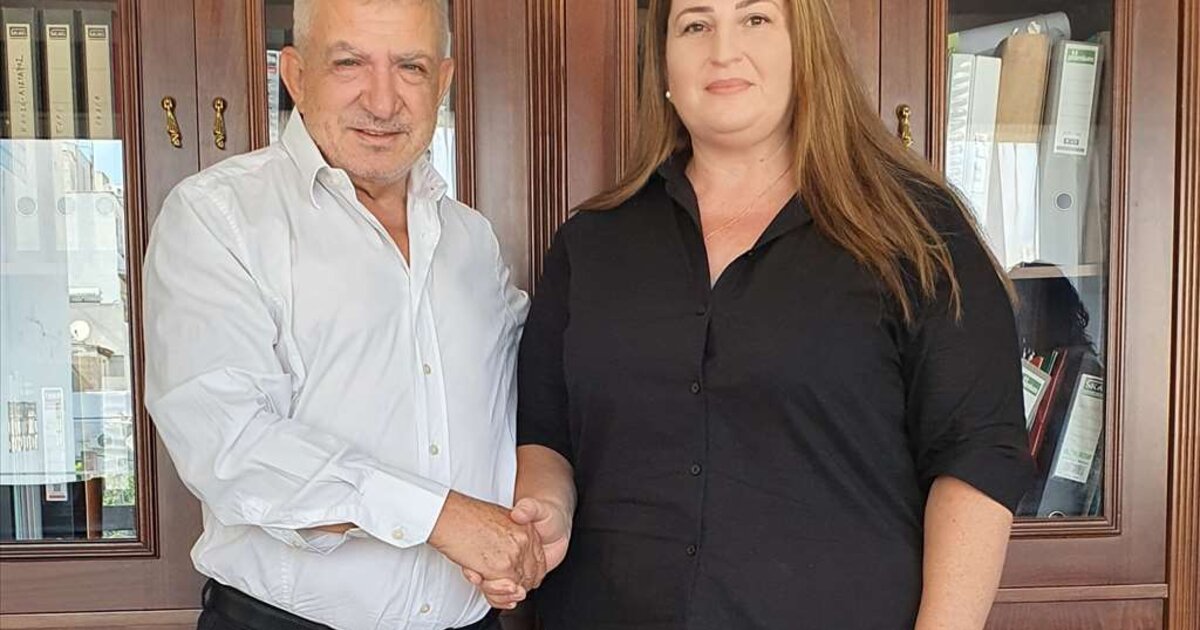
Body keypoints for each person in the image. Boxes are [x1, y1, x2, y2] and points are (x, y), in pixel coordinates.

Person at [495, 0, 1035, 627]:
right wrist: (549, 507)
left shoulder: (917, 233)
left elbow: (976, 453)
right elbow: (546, 434)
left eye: (755, 19)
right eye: (695, 25)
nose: (723, 50)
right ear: (663, 63)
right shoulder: (591, 243)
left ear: (806, 47)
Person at [142, 1, 538, 628]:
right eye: (349, 63)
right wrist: (440, 516)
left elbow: (539, 384)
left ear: (443, 81)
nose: (382, 101)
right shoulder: (219, 218)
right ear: (296, 76)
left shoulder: (471, 239)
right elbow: (230, 443)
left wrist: (548, 504)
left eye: (410, 67)